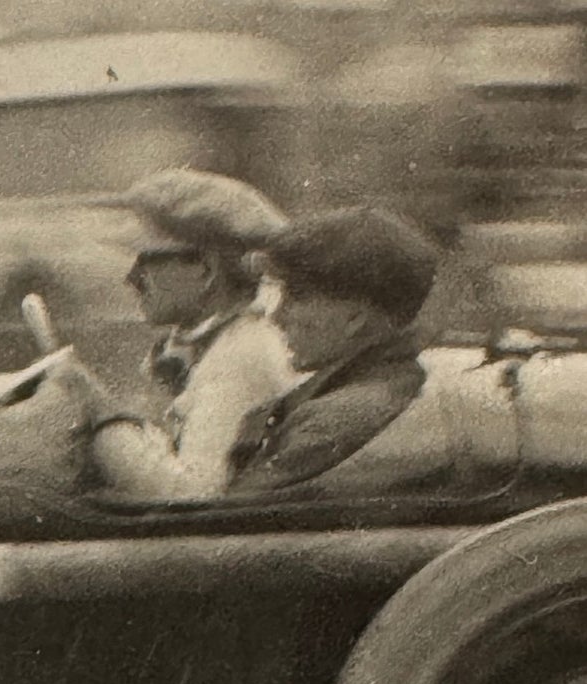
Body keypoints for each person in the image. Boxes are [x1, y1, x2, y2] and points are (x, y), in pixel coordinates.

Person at [79, 168, 300, 499]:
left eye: (147, 261)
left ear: (207, 270)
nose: (132, 278)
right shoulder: (227, 340)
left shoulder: (241, 354)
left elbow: (190, 493)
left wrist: (100, 415)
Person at [224, 207, 440, 495]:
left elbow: (233, 522)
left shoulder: (328, 423)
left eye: (297, 296)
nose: (277, 316)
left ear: (354, 318)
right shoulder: (389, 385)